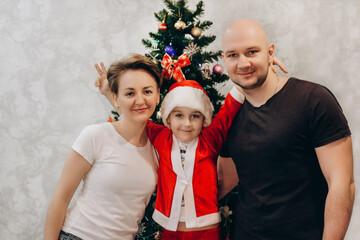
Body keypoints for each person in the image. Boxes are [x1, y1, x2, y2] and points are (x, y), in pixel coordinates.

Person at [218, 19, 355, 239]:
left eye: (252, 52)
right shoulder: (231, 116)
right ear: (224, 59)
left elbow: (342, 184)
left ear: (270, 52)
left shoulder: (313, 100)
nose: (243, 63)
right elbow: (222, 182)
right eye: (233, 55)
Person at [43, 53, 161, 240]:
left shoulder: (157, 148)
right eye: (130, 93)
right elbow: (61, 198)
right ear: (116, 99)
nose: (140, 100)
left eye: (147, 91)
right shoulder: (95, 136)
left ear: (157, 96)